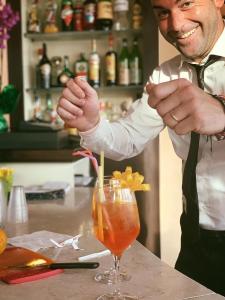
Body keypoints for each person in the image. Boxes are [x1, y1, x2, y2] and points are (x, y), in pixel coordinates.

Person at [57, 0, 225, 296]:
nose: (175, 24)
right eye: (162, 12)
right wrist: (91, 124)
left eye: (186, 3)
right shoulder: (165, 75)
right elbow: (128, 138)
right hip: (196, 243)